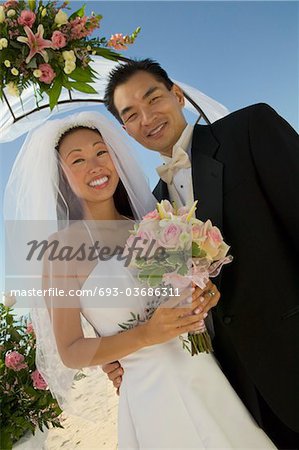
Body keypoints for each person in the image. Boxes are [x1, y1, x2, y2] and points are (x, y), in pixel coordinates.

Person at [4, 111, 276, 449]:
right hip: (153, 398)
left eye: (101, 152)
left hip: (209, 376)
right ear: (62, 176)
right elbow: (71, 351)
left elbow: (186, 294)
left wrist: (204, 295)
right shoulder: (58, 251)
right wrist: (146, 335)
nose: (95, 165)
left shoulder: (152, 226)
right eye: (78, 160)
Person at [103, 59, 299, 449]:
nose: (147, 117)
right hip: (238, 388)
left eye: (153, 98)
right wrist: (119, 354)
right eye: (131, 115)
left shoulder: (248, 129)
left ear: (177, 95)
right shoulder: (153, 210)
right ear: (126, 130)